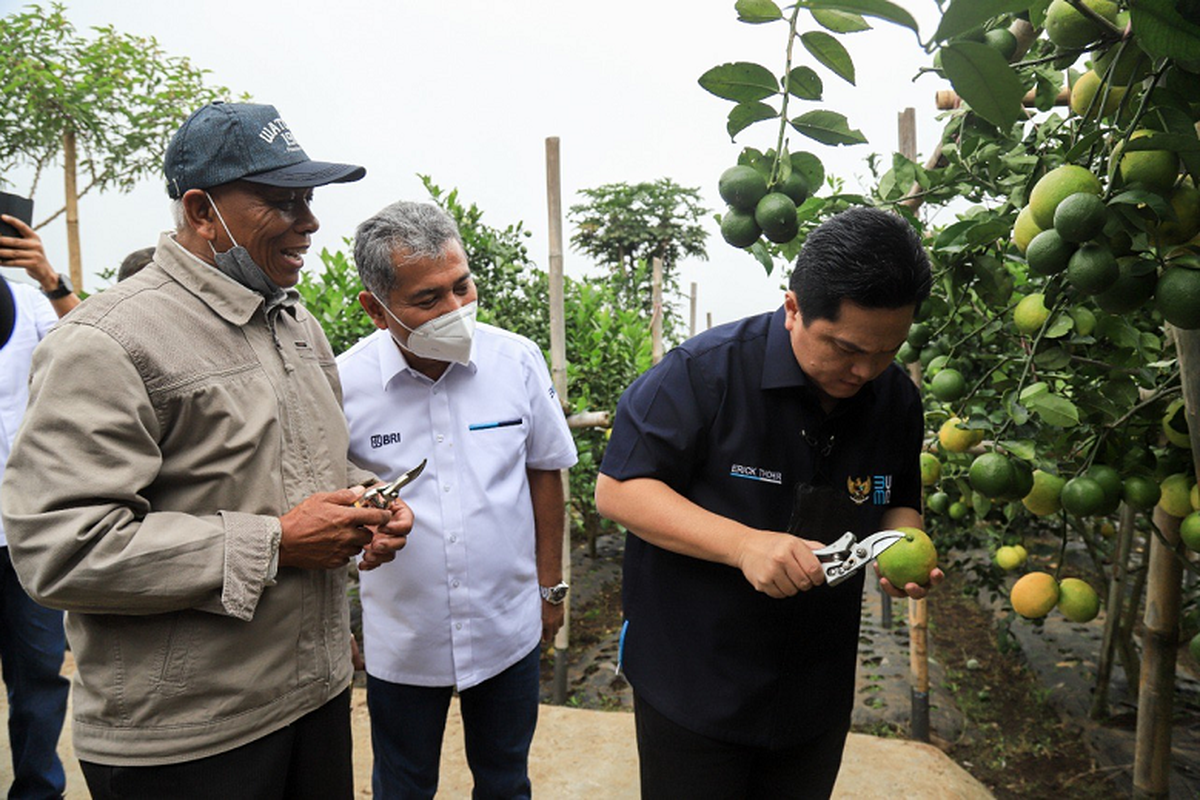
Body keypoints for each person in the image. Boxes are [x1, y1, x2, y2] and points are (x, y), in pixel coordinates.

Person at [0, 101, 413, 800]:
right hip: (188, 737)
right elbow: (60, 549)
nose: (308, 223)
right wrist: (278, 542)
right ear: (200, 210)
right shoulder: (108, 341)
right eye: (282, 202)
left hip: (311, 697)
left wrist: (366, 499)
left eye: (308, 200)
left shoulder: (294, 322)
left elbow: (307, 463)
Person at [595, 206, 945, 799]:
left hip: (814, 685)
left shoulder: (893, 399)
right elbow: (620, 489)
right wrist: (743, 544)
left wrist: (900, 545)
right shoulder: (704, 375)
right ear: (793, 310)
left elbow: (895, 497)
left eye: (887, 351)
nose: (865, 370)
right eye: (845, 348)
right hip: (696, 678)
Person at [337, 200, 578, 799]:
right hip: (404, 636)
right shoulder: (342, 385)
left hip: (506, 627)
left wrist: (550, 590)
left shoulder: (514, 360)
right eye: (429, 299)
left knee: (504, 780)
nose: (456, 309)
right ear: (376, 308)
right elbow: (324, 502)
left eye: (462, 286)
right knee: (403, 783)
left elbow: (545, 471)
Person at [0, 218, 78, 799]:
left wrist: (48, 276)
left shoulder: (31, 303)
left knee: (39, 680)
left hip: (26, 536)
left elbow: (101, 349)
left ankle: (37, 792)